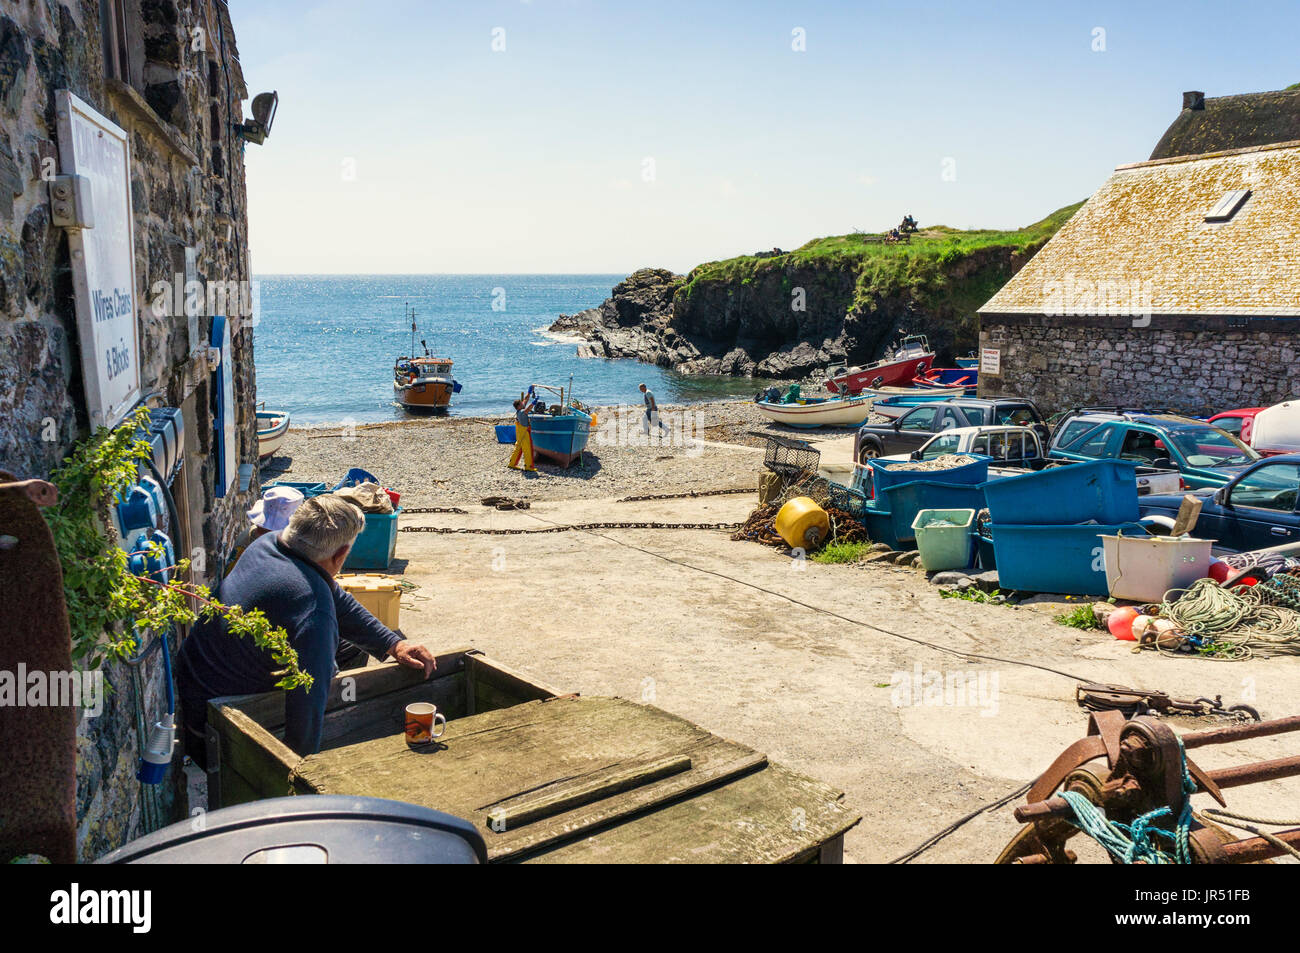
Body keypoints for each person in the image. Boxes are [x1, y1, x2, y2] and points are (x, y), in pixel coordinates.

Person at [177, 495, 437, 765]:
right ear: (340, 556)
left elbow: (338, 600)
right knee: (323, 684)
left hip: (195, 692)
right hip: (217, 729)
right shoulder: (313, 608)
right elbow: (307, 705)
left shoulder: (266, 544)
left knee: (345, 648)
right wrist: (300, 772)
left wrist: (394, 644)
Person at [508, 397, 536, 472]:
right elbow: (528, 409)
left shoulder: (518, 411)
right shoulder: (522, 412)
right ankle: (528, 466)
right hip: (524, 433)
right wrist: (534, 402)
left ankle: (512, 463)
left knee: (518, 448)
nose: (523, 404)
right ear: (518, 406)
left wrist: (529, 393)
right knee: (527, 449)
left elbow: (525, 400)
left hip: (519, 433)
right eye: (521, 403)